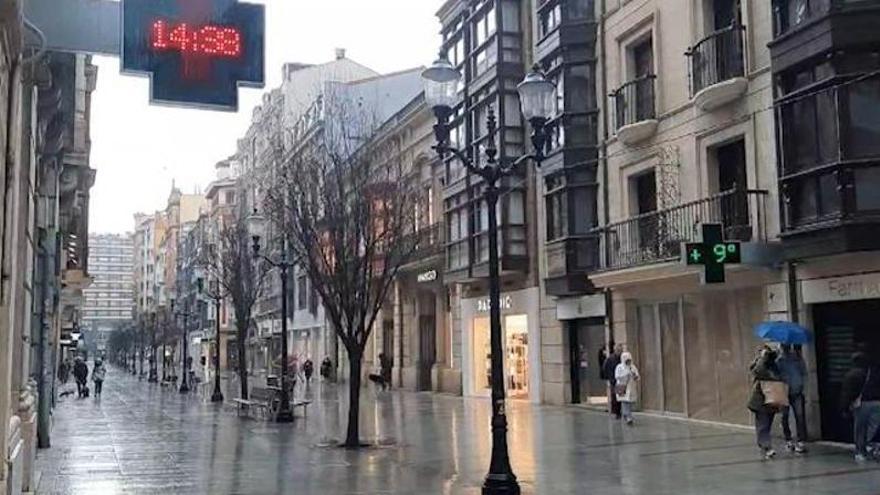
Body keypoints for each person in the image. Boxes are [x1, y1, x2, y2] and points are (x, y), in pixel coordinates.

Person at [841, 352, 880, 462]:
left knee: (860, 429)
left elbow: (847, 393)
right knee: (874, 428)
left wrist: (844, 408)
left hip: (861, 404)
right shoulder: (873, 372)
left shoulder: (851, 375)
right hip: (877, 402)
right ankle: (873, 448)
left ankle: (861, 451)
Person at [748, 345, 785, 460]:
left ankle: (764, 444)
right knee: (763, 424)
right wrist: (762, 358)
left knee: (767, 424)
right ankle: (766, 446)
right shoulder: (758, 365)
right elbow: (758, 371)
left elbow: (779, 376)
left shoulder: (774, 365)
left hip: (772, 399)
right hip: (760, 400)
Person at [777, 344, 808, 453]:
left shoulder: (797, 359)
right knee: (784, 416)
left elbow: (804, 373)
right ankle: (788, 440)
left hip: (796, 391)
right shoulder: (778, 361)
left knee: (799, 416)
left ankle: (800, 441)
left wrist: (802, 386)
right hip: (784, 392)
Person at [614, 351, 640, 425]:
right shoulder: (619, 367)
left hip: (631, 387)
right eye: (627, 360)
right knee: (624, 401)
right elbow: (617, 376)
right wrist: (626, 375)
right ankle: (628, 416)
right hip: (622, 386)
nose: (628, 361)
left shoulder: (633, 367)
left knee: (630, 402)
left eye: (629, 360)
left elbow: (637, 376)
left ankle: (627, 414)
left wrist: (635, 376)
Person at [602, 343, 623, 419]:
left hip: (621, 380)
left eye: (620, 350)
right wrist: (609, 378)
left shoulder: (622, 358)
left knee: (620, 396)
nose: (619, 351)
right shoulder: (611, 359)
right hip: (614, 380)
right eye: (618, 350)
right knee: (616, 396)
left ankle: (619, 411)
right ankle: (617, 412)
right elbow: (605, 368)